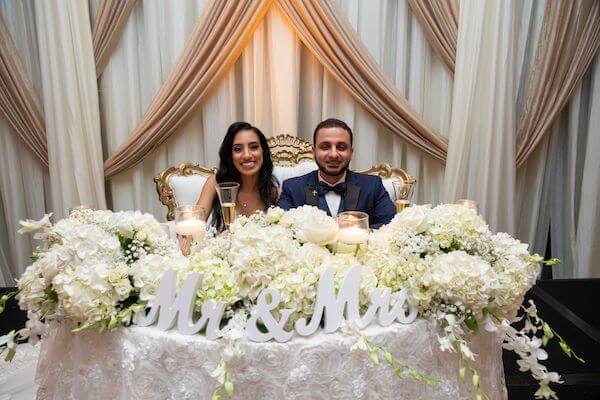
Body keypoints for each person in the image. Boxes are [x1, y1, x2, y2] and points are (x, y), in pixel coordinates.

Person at [278, 118, 395, 229]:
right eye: (325, 147)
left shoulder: (373, 185)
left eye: (341, 147)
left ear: (351, 152)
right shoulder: (292, 188)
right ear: (314, 152)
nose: (333, 154)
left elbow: (390, 226)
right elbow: (283, 231)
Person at [197, 121, 279, 231]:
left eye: (253, 147)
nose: (246, 155)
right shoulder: (216, 183)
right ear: (230, 155)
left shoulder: (274, 193)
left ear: (263, 152)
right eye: (237, 149)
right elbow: (193, 225)